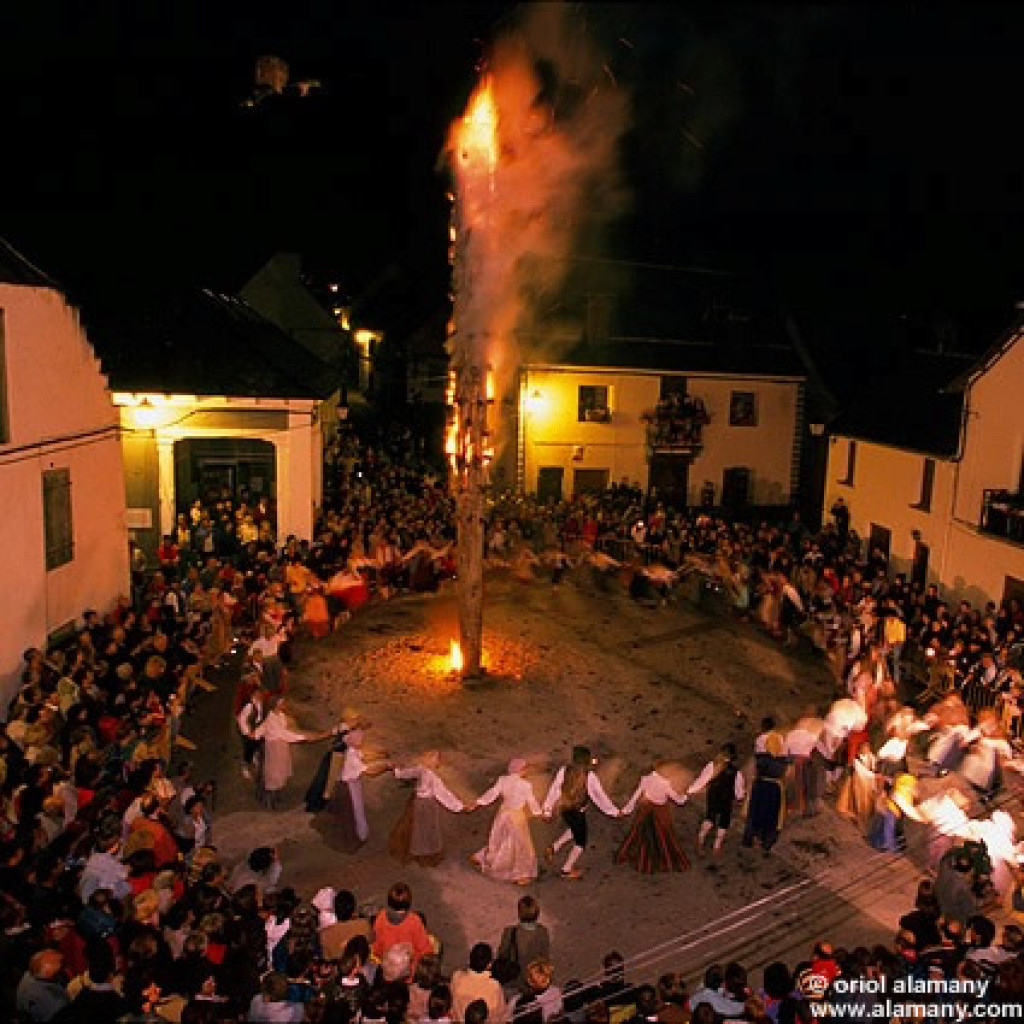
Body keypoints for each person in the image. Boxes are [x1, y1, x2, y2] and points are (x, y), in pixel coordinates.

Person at [542, 745, 620, 880]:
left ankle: (554, 847)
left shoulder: (564, 770)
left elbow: (555, 789)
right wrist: (613, 811)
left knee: (574, 829)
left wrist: (547, 809)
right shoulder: (589, 776)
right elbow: (598, 796)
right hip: (577, 811)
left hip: (564, 808)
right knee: (580, 842)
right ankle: (566, 870)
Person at [471, 758, 543, 886]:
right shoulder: (525, 785)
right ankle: (520, 874)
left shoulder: (502, 780)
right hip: (516, 816)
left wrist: (478, 802)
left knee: (499, 840)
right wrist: (540, 813)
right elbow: (531, 801)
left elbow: (492, 793)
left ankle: (484, 857)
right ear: (521, 770)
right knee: (520, 846)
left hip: (503, 813)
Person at [389, 750, 466, 866]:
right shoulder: (422, 770)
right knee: (419, 828)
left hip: (425, 806)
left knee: (424, 828)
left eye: (434, 758)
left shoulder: (432, 777)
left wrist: (459, 806)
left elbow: (444, 794)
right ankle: (419, 851)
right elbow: (406, 773)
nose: (431, 760)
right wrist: (396, 770)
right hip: (419, 804)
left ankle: (423, 851)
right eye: (430, 757)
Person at [253, 697, 330, 809]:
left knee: (281, 770)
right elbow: (284, 733)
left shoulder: (280, 716)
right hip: (274, 748)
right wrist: (303, 737)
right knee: (273, 772)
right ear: (276, 705)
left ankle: (277, 795)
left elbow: (285, 730)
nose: (285, 705)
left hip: (281, 747)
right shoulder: (271, 720)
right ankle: (269, 800)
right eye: (282, 703)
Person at [615, 759, 690, 873]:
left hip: (646, 809)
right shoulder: (666, 783)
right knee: (664, 835)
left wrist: (626, 809)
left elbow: (637, 794)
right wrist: (685, 796)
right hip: (660, 812)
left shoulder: (646, 778)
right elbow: (678, 800)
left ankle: (640, 854)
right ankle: (661, 857)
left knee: (642, 831)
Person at [323, 729, 390, 850]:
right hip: (348, 788)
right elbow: (369, 772)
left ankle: (359, 834)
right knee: (354, 812)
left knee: (356, 811)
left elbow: (364, 755)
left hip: (351, 785)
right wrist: (386, 767)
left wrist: (380, 755)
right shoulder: (352, 757)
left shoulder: (352, 751)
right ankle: (356, 837)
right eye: (360, 739)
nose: (362, 741)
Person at [688, 743, 746, 856]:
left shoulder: (712, 766)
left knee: (710, 815)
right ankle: (717, 845)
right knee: (724, 820)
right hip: (727, 798)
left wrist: (690, 790)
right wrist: (741, 796)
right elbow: (739, 790)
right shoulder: (736, 772)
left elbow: (702, 780)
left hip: (713, 795)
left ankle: (701, 838)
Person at [370, 883, 434, 973]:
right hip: (408, 971)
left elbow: (377, 947)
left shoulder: (381, 917)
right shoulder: (414, 920)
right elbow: (425, 950)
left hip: (387, 969)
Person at [742, 734, 789, 855]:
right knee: (772, 815)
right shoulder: (783, 761)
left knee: (755, 813)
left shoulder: (760, 758)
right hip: (774, 790)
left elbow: (755, 771)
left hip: (760, 788)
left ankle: (750, 838)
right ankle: (766, 840)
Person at [497, 895, 550, 986]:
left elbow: (502, 955)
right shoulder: (543, 932)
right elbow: (544, 957)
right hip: (535, 981)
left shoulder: (509, 932)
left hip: (514, 979)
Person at [451, 943, 506, 1024]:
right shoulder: (494, 987)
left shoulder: (457, 978)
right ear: (489, 965)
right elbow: (500, 1014)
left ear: (469, 960)